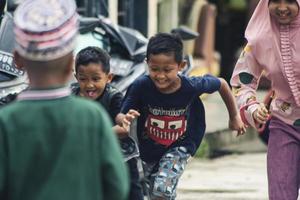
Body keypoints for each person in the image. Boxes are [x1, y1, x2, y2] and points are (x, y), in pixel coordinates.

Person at [0, 0, 129, 200]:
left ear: (17, 59)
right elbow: (117, 187)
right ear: (71, 63)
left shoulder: (6, 121)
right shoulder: (92, 117)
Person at [116, 32, 246, 200]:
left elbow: (221, 83)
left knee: (162, 189)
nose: (160, 76)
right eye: (154, 69)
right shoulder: (141, 86)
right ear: (147, 63)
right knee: (155, 190)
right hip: (150, 148)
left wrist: (234, 116)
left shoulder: (191, 86)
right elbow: (122, 114)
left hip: (182, 143)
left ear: (181, 65)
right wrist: (124, 120)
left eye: (167, 70)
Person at [230, 0, 300, 199]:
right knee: (280, 194)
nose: (282, 7)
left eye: (289, 1)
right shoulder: (259, 38)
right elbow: (241, 82)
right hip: (284, 126)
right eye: (275, 1)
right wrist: (252, 107)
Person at [72, 46, 143, 200]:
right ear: (76, 77)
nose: (89, 85)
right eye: (83, 79)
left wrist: (119, 123)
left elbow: (123, 127)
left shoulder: (113, 96)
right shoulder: (72, 95)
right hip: (88, 156)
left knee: (132, 190)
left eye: (96, 79)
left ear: (108, 77)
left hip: (121, 154)